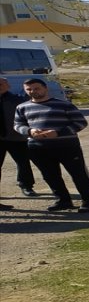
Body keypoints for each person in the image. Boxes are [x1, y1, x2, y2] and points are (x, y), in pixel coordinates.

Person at [14, 78, 89, 212]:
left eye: (36, 88)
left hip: (66, 146)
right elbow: (18, 125)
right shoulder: (22, 107)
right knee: (50, 175)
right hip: (38, 147)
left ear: (45, 88)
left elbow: (80, 123)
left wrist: (58, 133)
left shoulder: (64, 105)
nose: (33, 91)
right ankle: (63, 200)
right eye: (29, 89)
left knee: (78, 173)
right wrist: (30, 131)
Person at [1, 77, 38, 207]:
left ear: (8, 85)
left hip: (16, 138)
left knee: (23, 163)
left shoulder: (18, 100)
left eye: (2, 83)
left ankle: (26, 186)